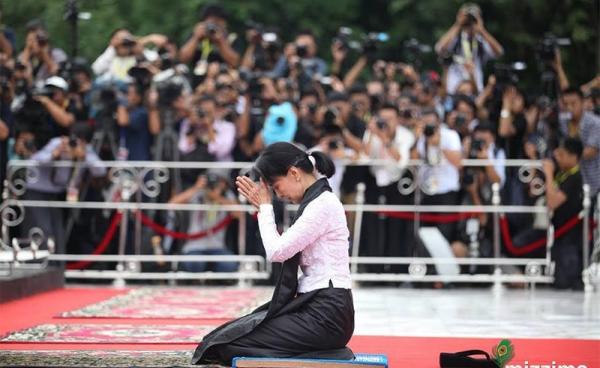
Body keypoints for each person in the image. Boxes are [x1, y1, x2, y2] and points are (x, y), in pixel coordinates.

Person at [192, 142, 354, 365]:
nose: (278, 195)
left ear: (294, 173)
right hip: (315, 307)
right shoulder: (317, 201)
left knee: (229, 346)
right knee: (223, 337)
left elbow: (277, 251)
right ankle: (324, 353)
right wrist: (264, 209)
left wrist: (265, 209)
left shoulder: (322, 205)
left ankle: (330, 355)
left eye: (276, 186)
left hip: (327, 315)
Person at [542, 137, 584, 289]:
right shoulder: (563, 174)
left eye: (562, 154)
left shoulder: (575, 177)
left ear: (573, 156)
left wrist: (548, 174)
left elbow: (553, 202)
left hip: (570, 237)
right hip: (560, 234)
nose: (557, 158)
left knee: (564, 280)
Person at [435, 3, 503, 94]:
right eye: (468, 19)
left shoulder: (481, 42)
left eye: (473, 19)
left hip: (475, 89)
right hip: (454, 89)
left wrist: (482, 30)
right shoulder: (456, 39)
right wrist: (458, 24)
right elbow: (439, 49)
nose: (470, 22)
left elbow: (499, 52)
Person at [560, 87, 600, 198]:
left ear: (582, 103)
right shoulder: (562, 121)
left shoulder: (595, 123)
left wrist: (565, 156)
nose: (569, 108)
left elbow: (590, 151)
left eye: (573, 103)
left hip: (592, 179)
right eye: (565, 104)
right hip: (568, 181)